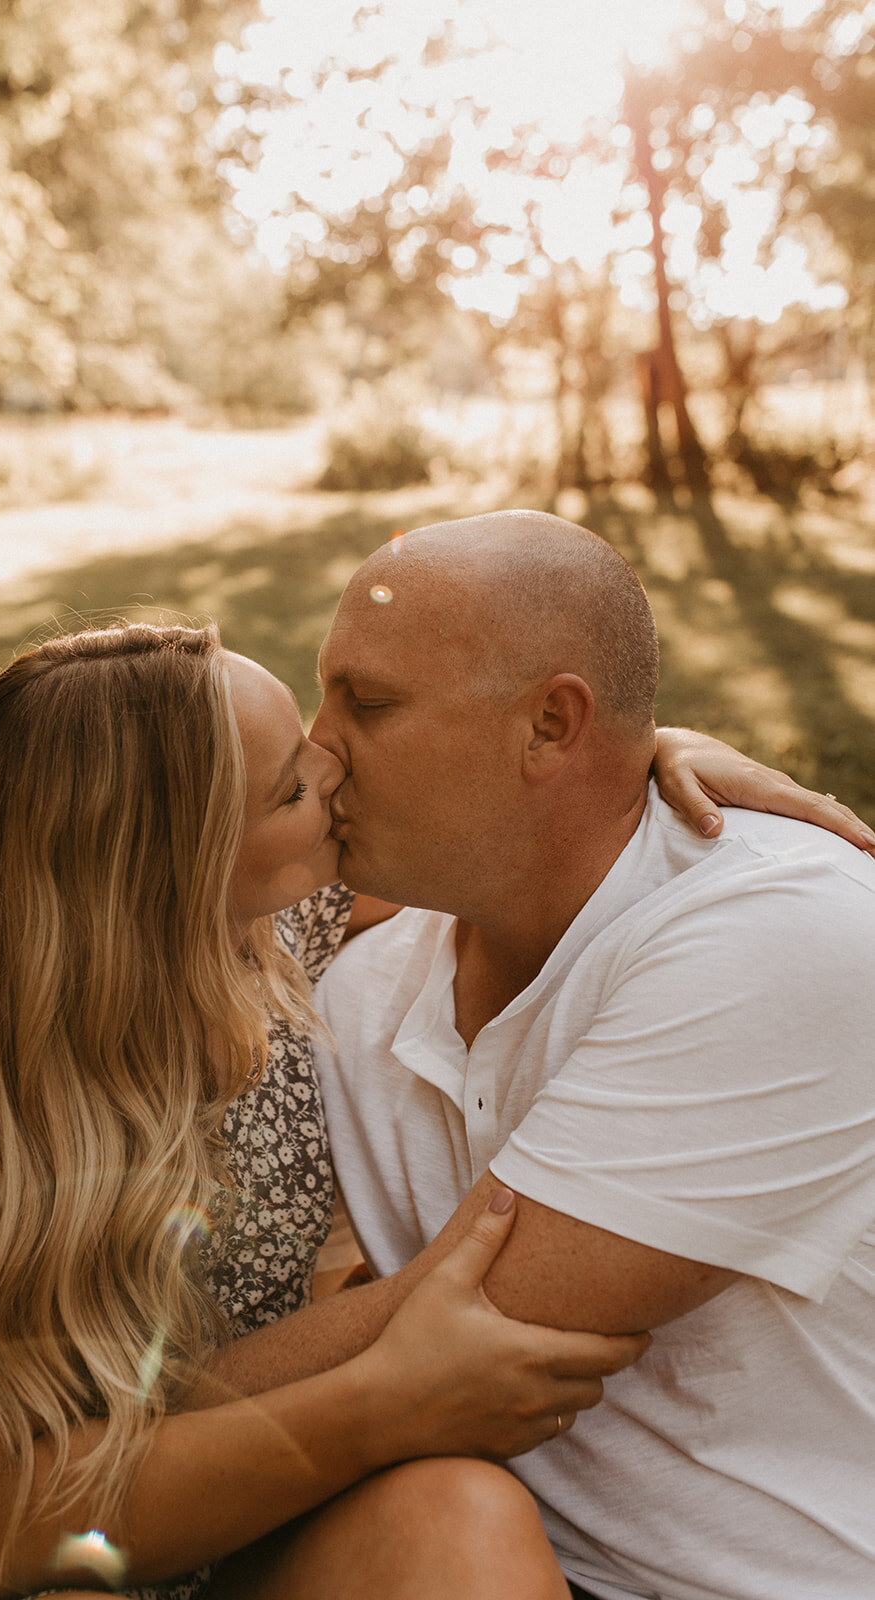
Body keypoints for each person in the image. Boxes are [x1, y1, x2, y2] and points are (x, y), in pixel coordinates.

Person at [0, 596, 871, 1600]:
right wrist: (381, 1399)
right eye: (288, 788)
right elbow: (5, 1527)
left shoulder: (273, 936)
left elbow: (517, 821)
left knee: (455, 1511)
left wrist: (639, 750)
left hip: (241, 1517)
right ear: (169, 872)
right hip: (41, 1555)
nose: (331, 768)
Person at [240, 509, 874, 1600]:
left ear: (547, 725)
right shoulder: (350, 974)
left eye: (368, 704)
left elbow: (463, 1319)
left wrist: (66, 1432)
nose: (316, 748)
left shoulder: (779, 934)